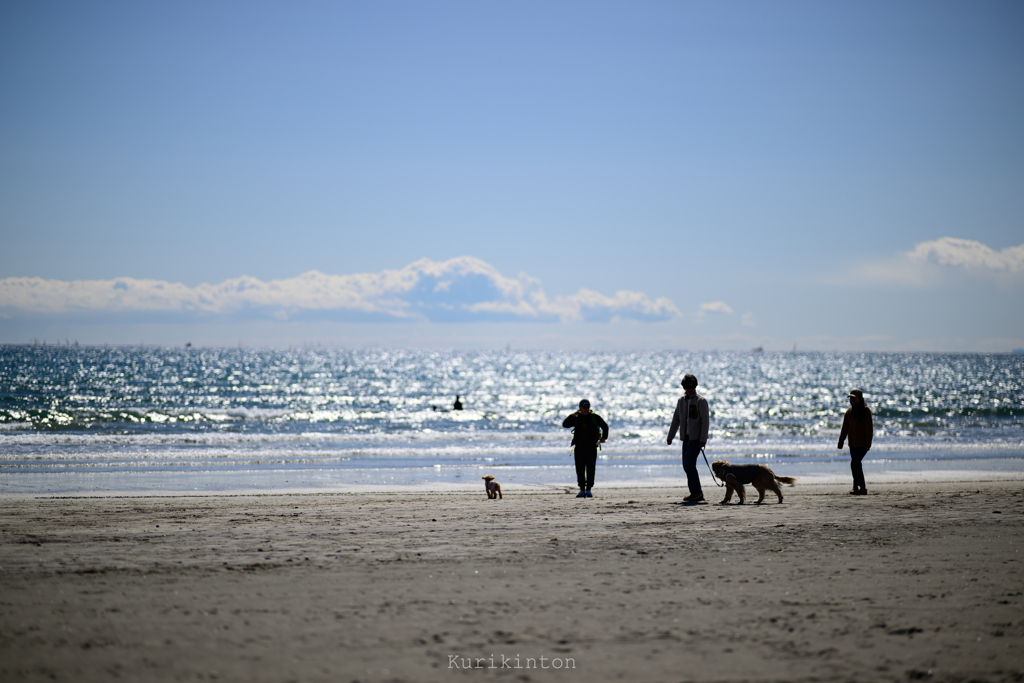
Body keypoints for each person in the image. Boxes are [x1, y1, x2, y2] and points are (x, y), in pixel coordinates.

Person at [667, 374, 710, 502]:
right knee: (686, 466)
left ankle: (697, 492)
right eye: (688, 387)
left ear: (695, 386)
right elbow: (676, 420)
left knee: (689, 465)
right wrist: (670, 436)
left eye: (693, 386)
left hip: (696, 440)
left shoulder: (701, 402)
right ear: (684, 387)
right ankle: (695, 493)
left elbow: (705, 422)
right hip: (685, 439)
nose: (690, 389)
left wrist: (703, 439)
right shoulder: (681, 401)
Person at [562, 399, 608, 498]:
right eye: (584, 407)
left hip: (591, 448)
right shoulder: (577, 418)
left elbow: (605, 426)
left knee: (591, 469)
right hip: (579, 448)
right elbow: (565, 424)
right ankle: (582, 489)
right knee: (580, 470)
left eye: (588, 407)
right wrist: (573, 415)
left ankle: (589, 490)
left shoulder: (594, 417)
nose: (586, 409)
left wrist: (604, 437)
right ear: (580, 408)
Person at [838, 389, 873, 495]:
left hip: (863, 444)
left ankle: (861, 487)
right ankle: (858, 488)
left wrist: (868, 443)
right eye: (851, 397)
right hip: (852, 444)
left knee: (855, 463)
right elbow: (845, 428)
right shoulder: (849, 412)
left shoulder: (866, 411)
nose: (852, 399)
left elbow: (869, 429)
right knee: (856, 465)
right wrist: (841, 441)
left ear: (860, 398)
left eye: (855, 397)